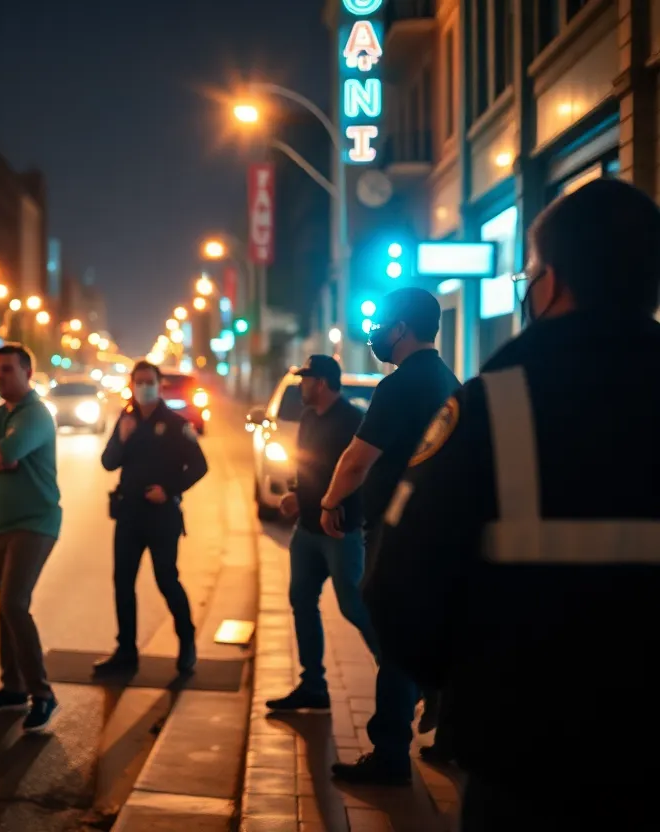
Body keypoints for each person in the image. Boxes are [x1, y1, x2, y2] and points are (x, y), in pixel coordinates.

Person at [365, 178, 660, 830]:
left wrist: (473, 686)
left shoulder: (493, 406)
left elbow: (399, 594)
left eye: (532, 272)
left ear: (551, 282)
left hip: (527, 767)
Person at [319, 287, 459, 786]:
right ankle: (449, 736)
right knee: (435, 630)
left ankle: (390, 752)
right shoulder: (448, 379)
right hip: (441, 527)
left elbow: (357, 459)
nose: (377, 330)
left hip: (400, 531)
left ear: (402, 328)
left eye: (383, 322)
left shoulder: (398, 386)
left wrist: (331, 501)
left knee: (395, 636)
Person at [265, 355, 379, 711]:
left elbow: (355, 473)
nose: (302, 385)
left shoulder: (352, 420)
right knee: (301, 600)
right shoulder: (309, 417)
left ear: (324, 383)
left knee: (354, 606)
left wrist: (322, 503)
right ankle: (313, 685)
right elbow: (308, 465)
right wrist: (298, 496)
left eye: (306, 379)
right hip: (308, 530)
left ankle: (403, 676)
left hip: (340, 532)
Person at [0, 343, 62, 734]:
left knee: (14, 603)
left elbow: (12, 449)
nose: (0, 376)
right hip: (2, 527)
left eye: (7, 370)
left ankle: (43, 693)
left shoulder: (35, 414)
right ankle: (13, 689)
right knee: (5, 607)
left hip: (35, 523)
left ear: (27, 373)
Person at [94, 359, 207, 677]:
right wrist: (122, 438)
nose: (144, 387)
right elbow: (108, 462)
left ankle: (187, 643)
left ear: (159, 385)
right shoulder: (126, 420)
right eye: (138, 382)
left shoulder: (174, 423)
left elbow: (199, 466)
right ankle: (126, 651)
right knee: (123, 583)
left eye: (149, 382)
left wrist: (169, 489)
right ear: (131, 385)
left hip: (162, 515)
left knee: (166, 579)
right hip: (129, 514)